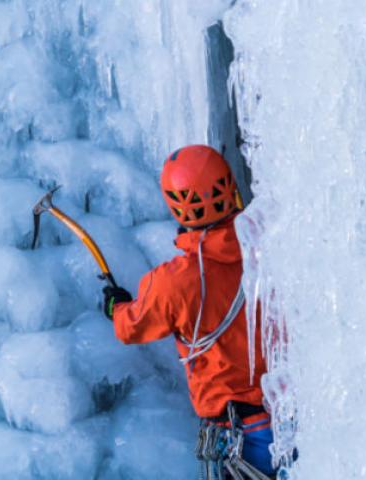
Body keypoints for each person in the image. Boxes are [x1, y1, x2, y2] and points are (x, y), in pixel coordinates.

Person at [102, 145, 276, 479]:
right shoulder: (268, 245)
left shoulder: (175, 281)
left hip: (240, 436)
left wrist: (115, 306)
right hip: (290, 419)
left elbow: (131, 327)